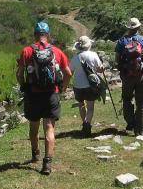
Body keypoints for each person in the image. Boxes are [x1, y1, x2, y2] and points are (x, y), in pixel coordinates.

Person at [16, 21, 72, 175]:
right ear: (48, 35)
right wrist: (62, 89)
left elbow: (20, 73)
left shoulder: (27, 51)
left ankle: (35, 155)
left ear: (35, 35)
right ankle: (47, 164)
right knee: (49, 128)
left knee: (34, 127)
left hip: (33, 94)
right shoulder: (57, 51)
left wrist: (23, 86)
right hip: (51, 94)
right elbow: (68, 73)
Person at [115, 17, 143, 136]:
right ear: (139, 27)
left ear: (128, 28)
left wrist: (122, 70)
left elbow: (117, 59)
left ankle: (130, 122)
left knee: (127, 100)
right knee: (142, 103)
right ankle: (139, 130)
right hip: (141, 76)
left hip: (126, 76)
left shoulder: (121, 42)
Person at [70, 35, 104, 137]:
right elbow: (99, 69)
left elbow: (70, 71)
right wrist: (102, 69)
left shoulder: (75, 57)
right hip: (90, 85)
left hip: (78, 85)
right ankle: (87, 123)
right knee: (90, 108)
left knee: (81, 105)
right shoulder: (93, 55)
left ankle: (84, 124)